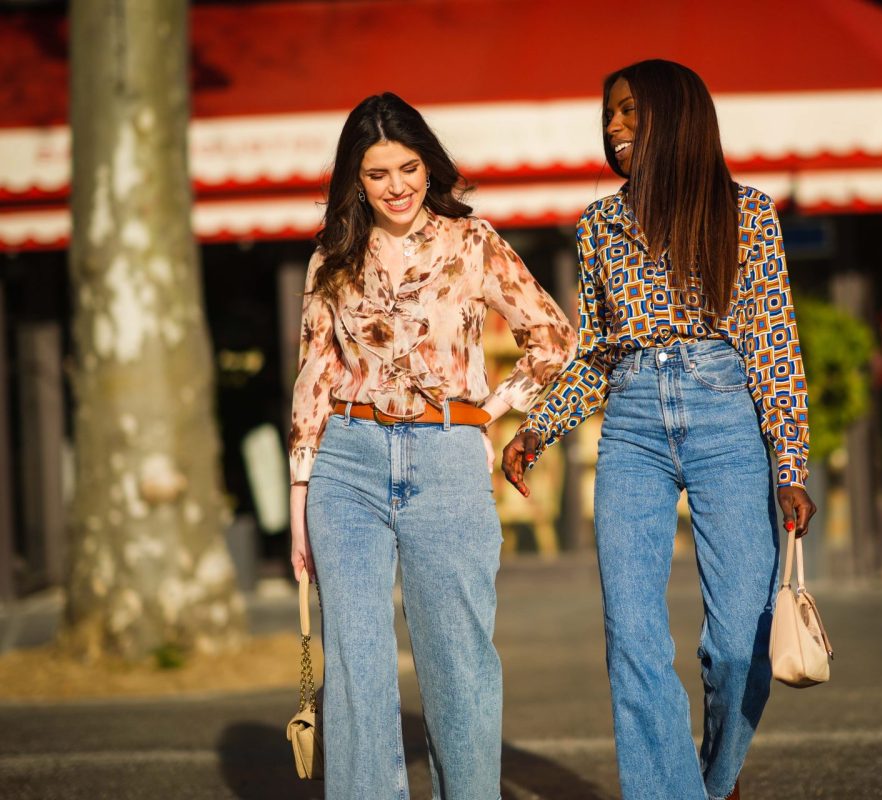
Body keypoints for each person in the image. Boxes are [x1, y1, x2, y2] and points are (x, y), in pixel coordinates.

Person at [502, 59, 816, 800]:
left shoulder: (747, 215)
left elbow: (773, 345)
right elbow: (598, 352)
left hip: (725, 417)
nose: (613, 128)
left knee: (739, 642)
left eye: (630, 113)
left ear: (675, 119)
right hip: (633, 428)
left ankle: (715, 778)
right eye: (609, 115)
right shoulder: (598, 225)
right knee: (634, 637)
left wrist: (790, 466)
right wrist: (538, 429)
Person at [288, 92, 575, 800]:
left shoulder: (472, 241)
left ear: (429, 164)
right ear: (355, 180)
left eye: (409, 168)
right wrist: (299, 498)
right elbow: (314, 374)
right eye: (377, 173)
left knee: (458, 662)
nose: (397, 187)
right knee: (355, 667)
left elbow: (554, 338)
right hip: (345, 462)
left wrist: (488, 413)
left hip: (447, 456)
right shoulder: (332, 254)